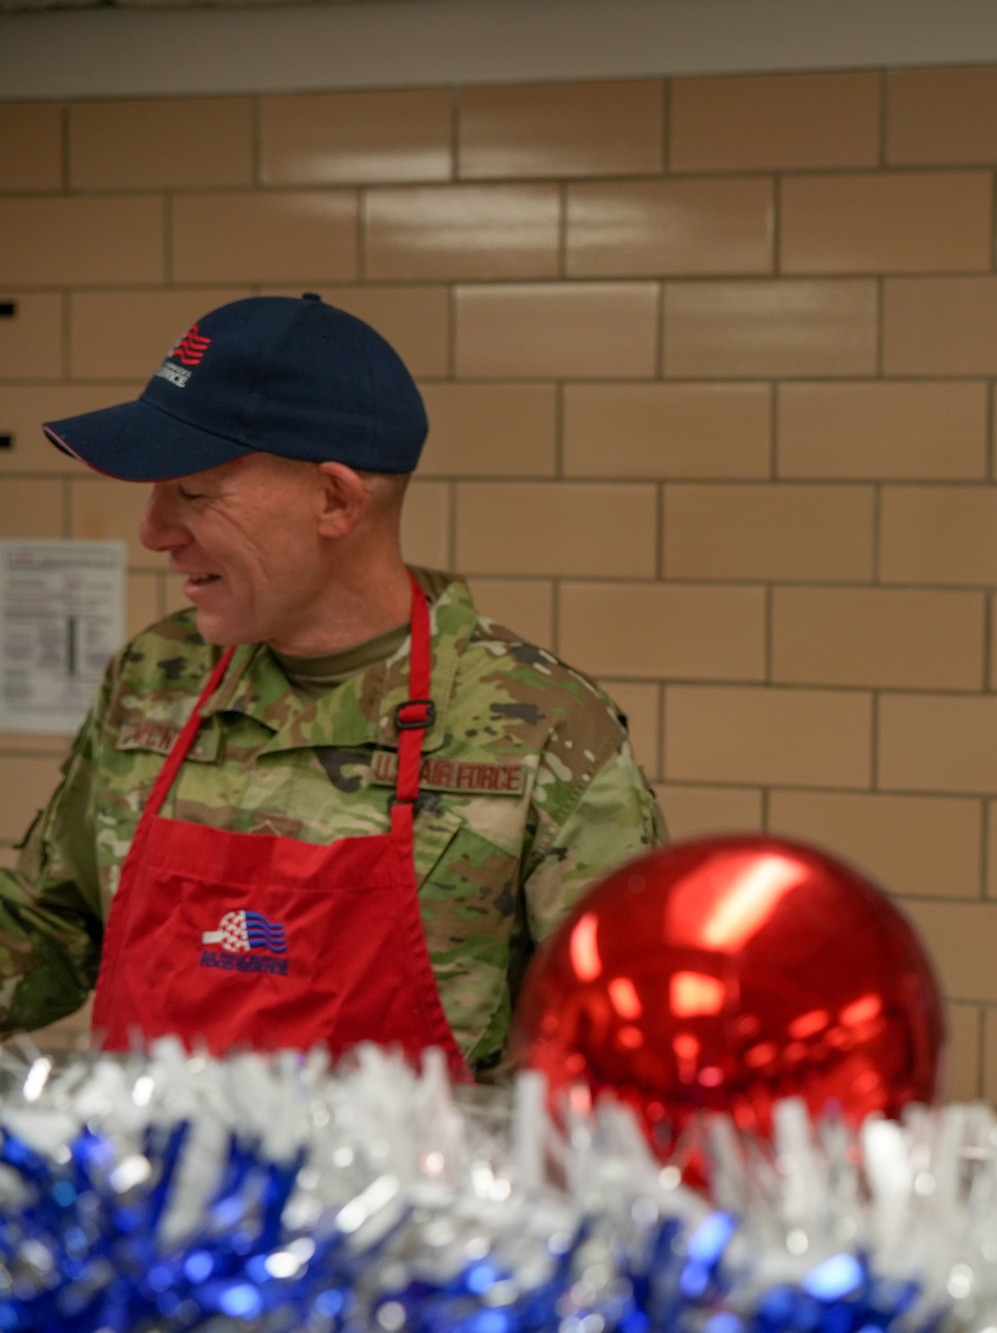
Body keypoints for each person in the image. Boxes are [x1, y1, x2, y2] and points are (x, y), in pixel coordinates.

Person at [0, 294, 665, 1080]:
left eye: (193, 492)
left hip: (406, 1201)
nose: (153, 530)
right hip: (153, 1196)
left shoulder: (543, 730)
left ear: (335, 499)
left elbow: (625, 1059)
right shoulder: (156, 678)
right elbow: (50, 924)